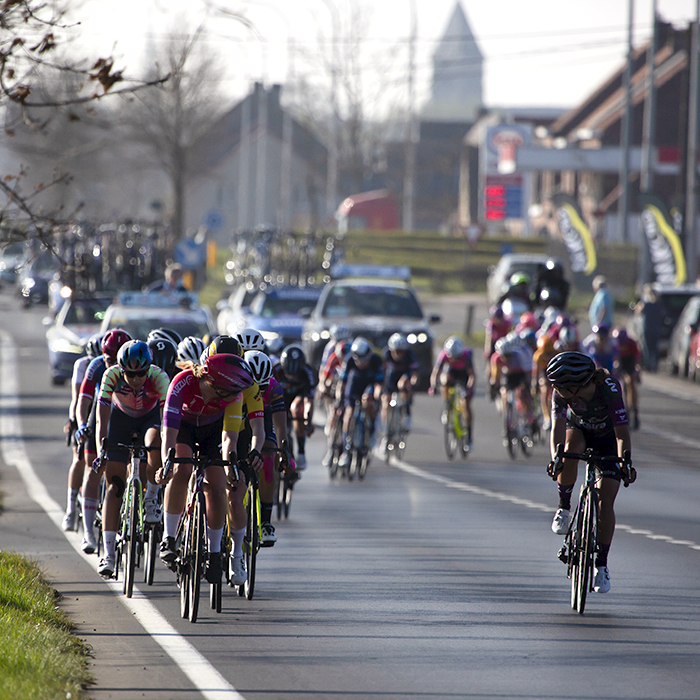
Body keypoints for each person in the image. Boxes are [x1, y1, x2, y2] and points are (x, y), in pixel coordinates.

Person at [157, 353, 260, 586]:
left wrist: (231, 469)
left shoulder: (233, 397)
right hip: (183, 427)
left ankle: (214, 553)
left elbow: (229, 438)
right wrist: (167, 463)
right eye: (234, 391)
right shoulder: (183, 381)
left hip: (212, 432)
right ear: (217, 384)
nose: (238, 397)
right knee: (180, 469)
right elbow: (169, 431)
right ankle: (169, 538)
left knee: (216, 483)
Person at [546, 351, 635, 594]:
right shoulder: (560, 392)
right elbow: (558, 427)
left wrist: (625, 462)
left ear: (577, 387)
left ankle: (601, 565)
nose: (557, 391)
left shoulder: (608, 388)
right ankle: (564, 507)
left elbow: (621, 432)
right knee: (569, 449)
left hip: (608, 438)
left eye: (562, 389)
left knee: (606, 499)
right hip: (580, 431)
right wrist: (556, 458)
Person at [94, 340, 171, 578]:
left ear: (149, 368)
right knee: (115, 486)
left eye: (141, 373)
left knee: (154, 439)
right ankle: (108, 554)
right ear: (121, 369)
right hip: (120, 420)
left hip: (149, 419)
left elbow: (167, 418)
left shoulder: (159, 377)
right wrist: (101, 450)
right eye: (131, 374)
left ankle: (150, 498)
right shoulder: (111, 375)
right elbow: (102, 419)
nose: (136, 379)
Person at [61, 333, 102, 532]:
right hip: (86, 410)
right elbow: (77, 399)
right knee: (79, 458)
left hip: (105, 410)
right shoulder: (83, 365)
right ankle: (70, 509)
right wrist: (75, 421)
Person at [337, 337, 384, 469]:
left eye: (363, 358)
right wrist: (339, 396)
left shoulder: (375, 360)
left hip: (369, 385)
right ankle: (346, 450)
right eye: (358, 358)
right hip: (354, 385)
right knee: (349, 412)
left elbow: (379, 384)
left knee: (368, 400)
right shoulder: (349, 360)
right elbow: (343, 382)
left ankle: (372, 430)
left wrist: (376, 397)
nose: (361, 362)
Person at [275, 345, 317, 470]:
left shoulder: (308, 372)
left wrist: (307, 422)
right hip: (279, 398)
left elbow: (309, 401)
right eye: (288, 373)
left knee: (297, 409)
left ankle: (301, 452)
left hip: (297, 398)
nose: (292, 377)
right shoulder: (276, 370)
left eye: (295, 375)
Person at [430, 336, 475, 448]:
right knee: (444, 380)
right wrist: (433, 385)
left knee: (466, 405)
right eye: (452, 357)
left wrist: (468, 389)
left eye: (457, 357)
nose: (454, 359)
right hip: (452, 373)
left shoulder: (466, 356)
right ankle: (447, 405)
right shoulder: (444, 355)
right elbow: (436, 372)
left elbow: (472, 376)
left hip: (464, 375)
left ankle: (469, 436)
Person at [381, 333, 420, 439]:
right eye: (396, 351)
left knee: (403, 384)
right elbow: (382, 370)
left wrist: (413, 381)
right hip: (391, 376)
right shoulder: (386, 354)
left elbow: (414, 373)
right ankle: (385, 429)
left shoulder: (410, 355)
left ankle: (407, 413)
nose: (399, 354)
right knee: (385, 403)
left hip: (404, 375)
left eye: (401, 351)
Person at [612, 327, 642, 430]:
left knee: (631, 383)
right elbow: (615, 359)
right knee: (619, 384)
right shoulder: (614, 345)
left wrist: (637, 372)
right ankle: (624, 409)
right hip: (620, 362)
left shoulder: (632, 344)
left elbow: (637, 361)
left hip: (630, 362)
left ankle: (634, 409)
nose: (622, 346)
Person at [634, 284, 662, 371]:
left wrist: (641, 301)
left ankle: (648, 365)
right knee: (654, 348)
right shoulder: (658, 305)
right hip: (656, 329)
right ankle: (654, 365)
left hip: (648, 329)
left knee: (647, 348)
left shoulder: (646, 304)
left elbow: (637, 310)